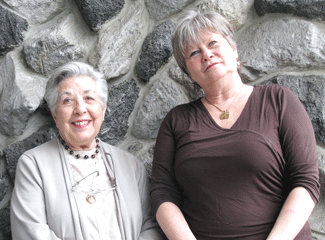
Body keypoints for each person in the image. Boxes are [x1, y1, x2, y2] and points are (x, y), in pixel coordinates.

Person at [150, 9, 320, 240]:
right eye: (194, 53)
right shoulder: (176, 121)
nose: (207, 55)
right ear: (188, 72)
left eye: (213, 43)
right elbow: (162, 193)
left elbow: (306, 180)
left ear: (234, 50)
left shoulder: (278, 101)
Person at [11, 61, 165, 240]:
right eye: (67, 100)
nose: (80, 109)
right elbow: (30, 233)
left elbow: (151, 225)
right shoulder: (33, 165)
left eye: (89, 98)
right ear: (54, 114)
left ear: (103, 107)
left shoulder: (131, 165)